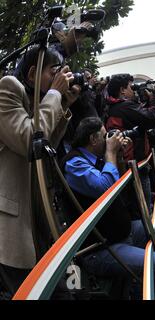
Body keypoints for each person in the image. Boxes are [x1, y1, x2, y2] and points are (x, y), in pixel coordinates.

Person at [62, 117, 155, 299]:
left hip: (119, 234)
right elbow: (107, 188)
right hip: (99, 248)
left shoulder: (97, 158)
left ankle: (138, 281)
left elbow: (120, 185)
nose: (109, 140)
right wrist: (111, 153)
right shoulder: (74, 163)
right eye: (105, 136)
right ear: (93, 139)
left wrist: (119, 155)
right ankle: (140, 293)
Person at [0, 45, 80, 291]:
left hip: (39, 218)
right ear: (33, 73)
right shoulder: (7, 87)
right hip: (13, 228)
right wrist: (55, 94)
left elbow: (45, 149)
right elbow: (29, 141)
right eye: (54, 71)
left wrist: (64, 104)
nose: (60, 78)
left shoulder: (39, 101)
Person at [105, 74, 155, 210]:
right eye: (131, 87)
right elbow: (152, 118)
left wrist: (149, 102)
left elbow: (142, 118)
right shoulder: (124, 107)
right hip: (135, 166)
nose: (134, 90)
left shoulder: (114, 107)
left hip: (128, 165)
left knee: (142, 204)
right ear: (122, 90)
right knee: (143, 207)